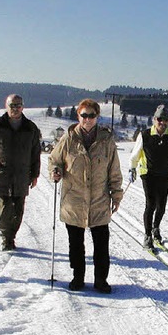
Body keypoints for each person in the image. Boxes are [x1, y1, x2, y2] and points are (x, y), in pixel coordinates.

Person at [48, 99, 123, 293]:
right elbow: (54, 160)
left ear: (97, 117)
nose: (88, 119)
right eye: (84, 115)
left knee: (101, 244)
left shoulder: (106, 141)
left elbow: (114, 169)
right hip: (74, 199)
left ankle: (101, 280)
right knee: (76, 245)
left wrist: (116, 194)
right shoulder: (68, 139)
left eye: (91, 116)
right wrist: (56, 170)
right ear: (78, 116)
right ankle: (78, 277)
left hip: (99, 199)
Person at [0, 94, 41, 250]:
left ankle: (12, 235)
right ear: (6, 106)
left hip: (22, 174)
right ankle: (6, 238)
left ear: (23, 107)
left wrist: (35, 174)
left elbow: (35, 153)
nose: (15, 108)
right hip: (1, 173)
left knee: (18, 208)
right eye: (12, 105)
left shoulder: (30, 127)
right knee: (5, 206)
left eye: (18, 105)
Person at [129, 105, 168, 248]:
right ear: (154, 119)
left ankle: (156, 227)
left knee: (162, 206)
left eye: (165, 120)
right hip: (148, 174)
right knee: (151, 204)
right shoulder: (145, 135)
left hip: (165, 174)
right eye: (159, 119)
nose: (162, 123)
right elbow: (135, 154)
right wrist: (132, 169)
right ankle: (147, 235)